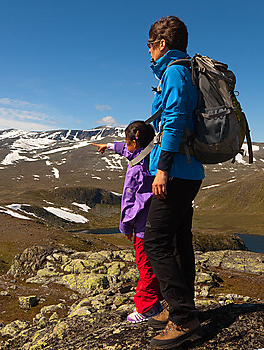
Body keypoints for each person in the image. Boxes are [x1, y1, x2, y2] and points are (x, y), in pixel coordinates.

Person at [142, 16, 205, 349]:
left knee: (155, 241)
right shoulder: (184, 71)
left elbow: (175, 120)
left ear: (161, 44)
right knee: (180, 239)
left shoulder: (176, 72)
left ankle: (183, 318)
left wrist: (163, 168)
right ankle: (182, 307)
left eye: (150, 45)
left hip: (177, 171)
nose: (148, 52)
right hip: (187, 170)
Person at [93, 120, 163, 324]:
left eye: (127, 141)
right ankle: (158, 299)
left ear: (136, 140)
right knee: (155, 264)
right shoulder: (151, 153)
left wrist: (126, 227)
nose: (125, 145)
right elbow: (126, 150)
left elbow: (132, 202)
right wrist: (107, 146)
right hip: (159, 222)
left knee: (145, 267)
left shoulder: (138, 172)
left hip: (143, 229)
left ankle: (146, 307)